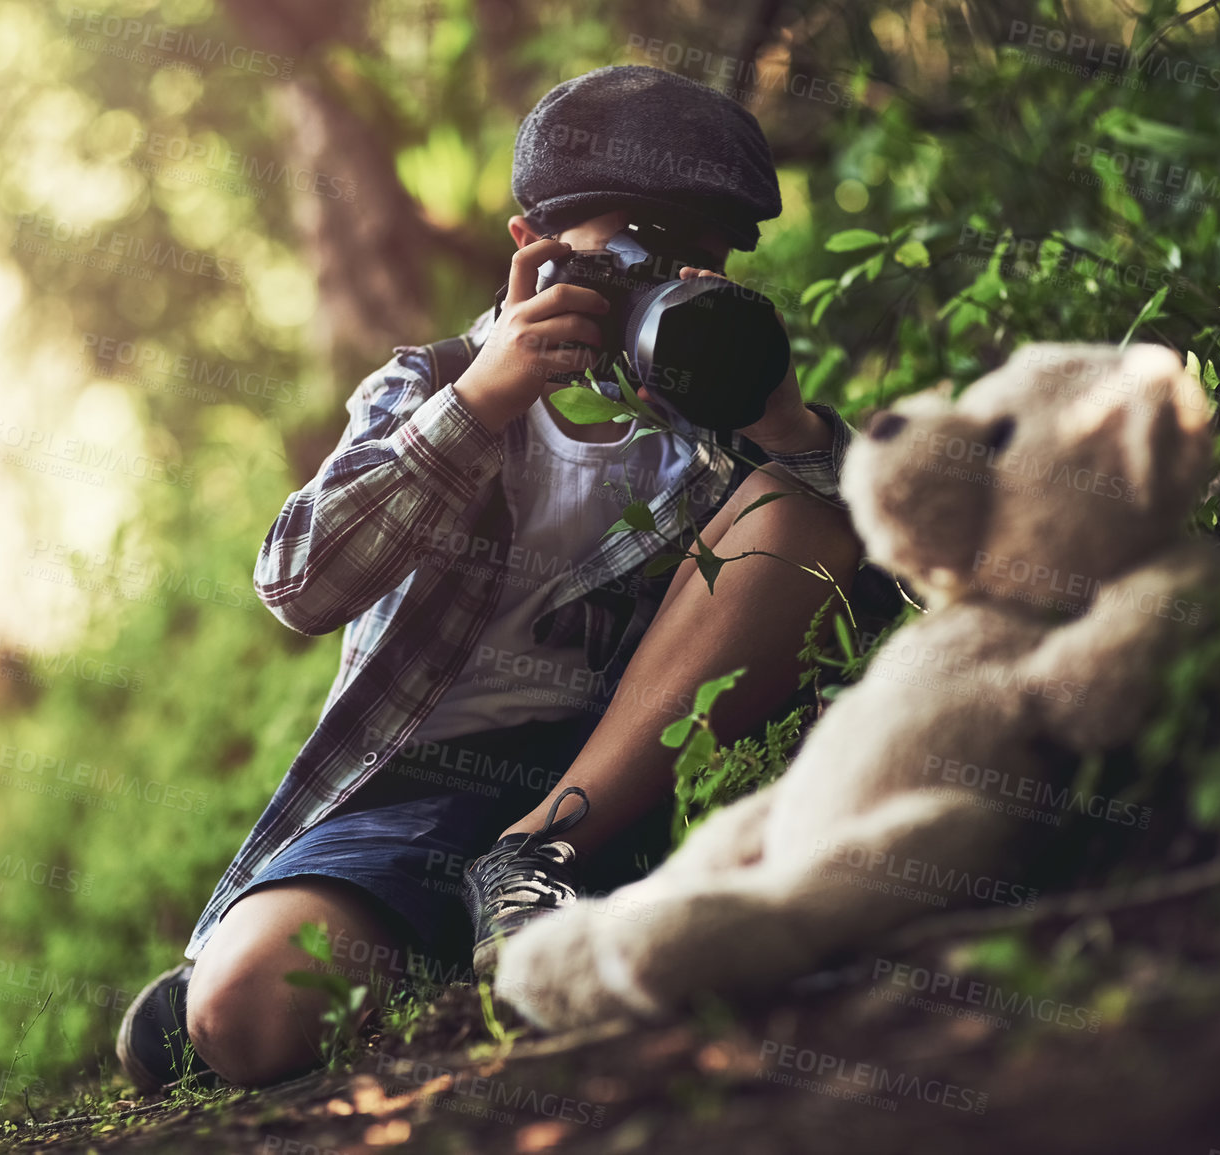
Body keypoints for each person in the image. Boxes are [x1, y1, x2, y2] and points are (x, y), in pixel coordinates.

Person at [116, 64, 863, 1092]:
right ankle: (267, 973)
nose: (666, 288)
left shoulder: (724, 441)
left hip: (615, 788)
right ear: (532, 250)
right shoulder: (426, 388)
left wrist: (784, 427)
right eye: (635, 256)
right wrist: (483, 398)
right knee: (248, 1012)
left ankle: (519, 877)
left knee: (805, 506)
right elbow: (298, 583)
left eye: (701, 265)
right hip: (410, 802)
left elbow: (866, 573)